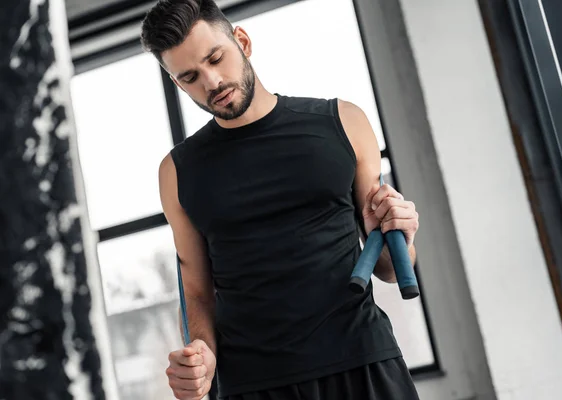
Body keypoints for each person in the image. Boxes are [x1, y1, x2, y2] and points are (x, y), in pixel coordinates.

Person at [140, 1, 421, 399]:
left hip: (362, 362)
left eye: (216, 58)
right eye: (190, 76)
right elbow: (197, 291)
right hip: (253, 384)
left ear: (242, 41)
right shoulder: (176, 172)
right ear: (177, 84)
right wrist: (202, 351)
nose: (212, 81)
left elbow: (390, 268)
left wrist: (402, 235)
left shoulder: (344, 123)